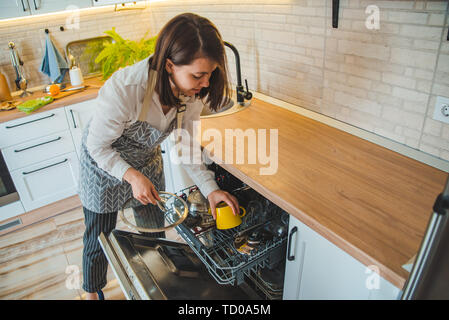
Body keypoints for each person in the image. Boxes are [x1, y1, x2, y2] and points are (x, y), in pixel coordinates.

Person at [78, 12, 241, 300]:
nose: (204, 83)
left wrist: (211, 189)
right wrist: (130, 175)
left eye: (210, 74)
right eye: (198, 75)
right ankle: (92, 294)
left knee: (153, 234)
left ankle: (152, 289)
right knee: (99, 237)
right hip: (102, 165)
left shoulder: (191, 93)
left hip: (146, 163)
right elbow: (98, 146)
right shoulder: (127, 89)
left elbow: (188, 146)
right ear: (169, 64)